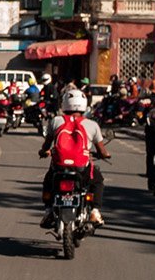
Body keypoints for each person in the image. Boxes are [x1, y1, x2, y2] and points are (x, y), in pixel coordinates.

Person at [39, 87, 110, 226]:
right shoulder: (92, 125)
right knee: (98, 181)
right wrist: (105, 155)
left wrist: (44, 152)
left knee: (48, 181)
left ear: (64, 103)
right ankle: (95, 211)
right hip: (81, 168)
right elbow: (102, 151)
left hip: (59, 166)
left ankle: (48, 211)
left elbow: (46, 145)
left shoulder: (56, 121)